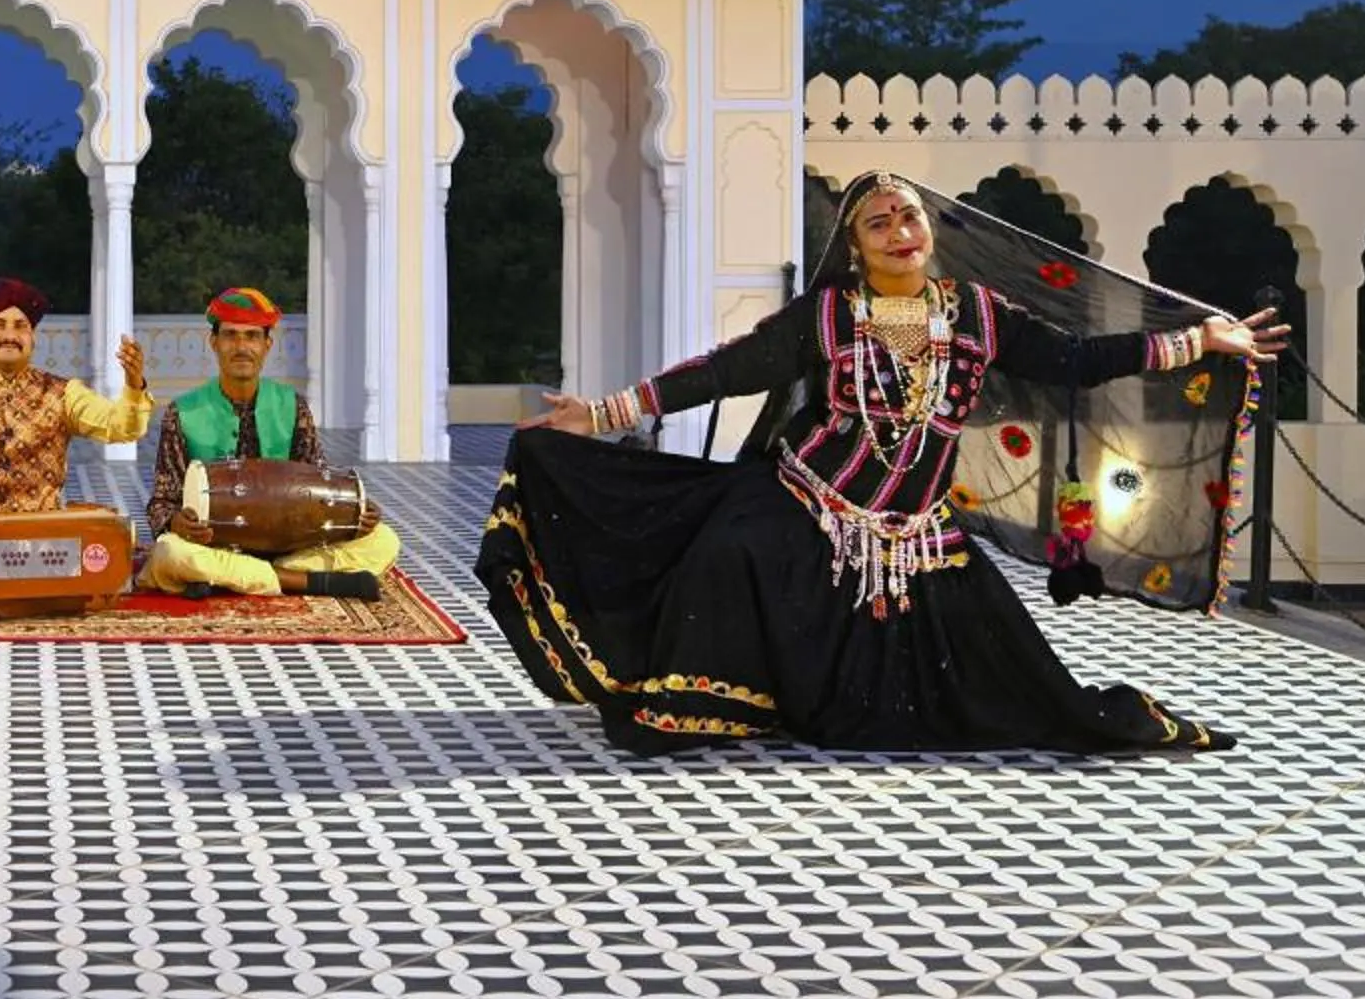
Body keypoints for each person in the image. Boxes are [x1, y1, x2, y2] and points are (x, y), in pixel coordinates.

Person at [476, 169, 1286, 756]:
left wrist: (1196, 340)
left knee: (1017, 678)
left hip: (918, 532)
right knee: (729, 554)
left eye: (909, 216)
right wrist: (603, 413)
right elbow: (723, 372)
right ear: (857, 247)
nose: (901, 231)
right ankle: (713, 701)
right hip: (808, 501)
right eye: (879, 223)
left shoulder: (974, 313)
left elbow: (1075, 358)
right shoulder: (827, 315)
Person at [140, 286, 397, 600]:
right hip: (211, 544)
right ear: (214, 343)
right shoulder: (183, 412)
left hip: (286, 547)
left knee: (384, 540)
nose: (241, 347)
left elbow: (318, 485)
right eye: (231, 335)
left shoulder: (292, 405)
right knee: (169, 552)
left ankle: (233, 576)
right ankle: (305, 582)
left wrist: (354, 514)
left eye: (252, 337)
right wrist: (176, 523)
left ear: (266, 345)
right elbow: (161, 504)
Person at [0, 278, 152, 516]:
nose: (10, 335)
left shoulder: (63, 394)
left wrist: (133, 384)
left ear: (33, 338)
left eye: (20, 326)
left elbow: (122, 427)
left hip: (45, 537)